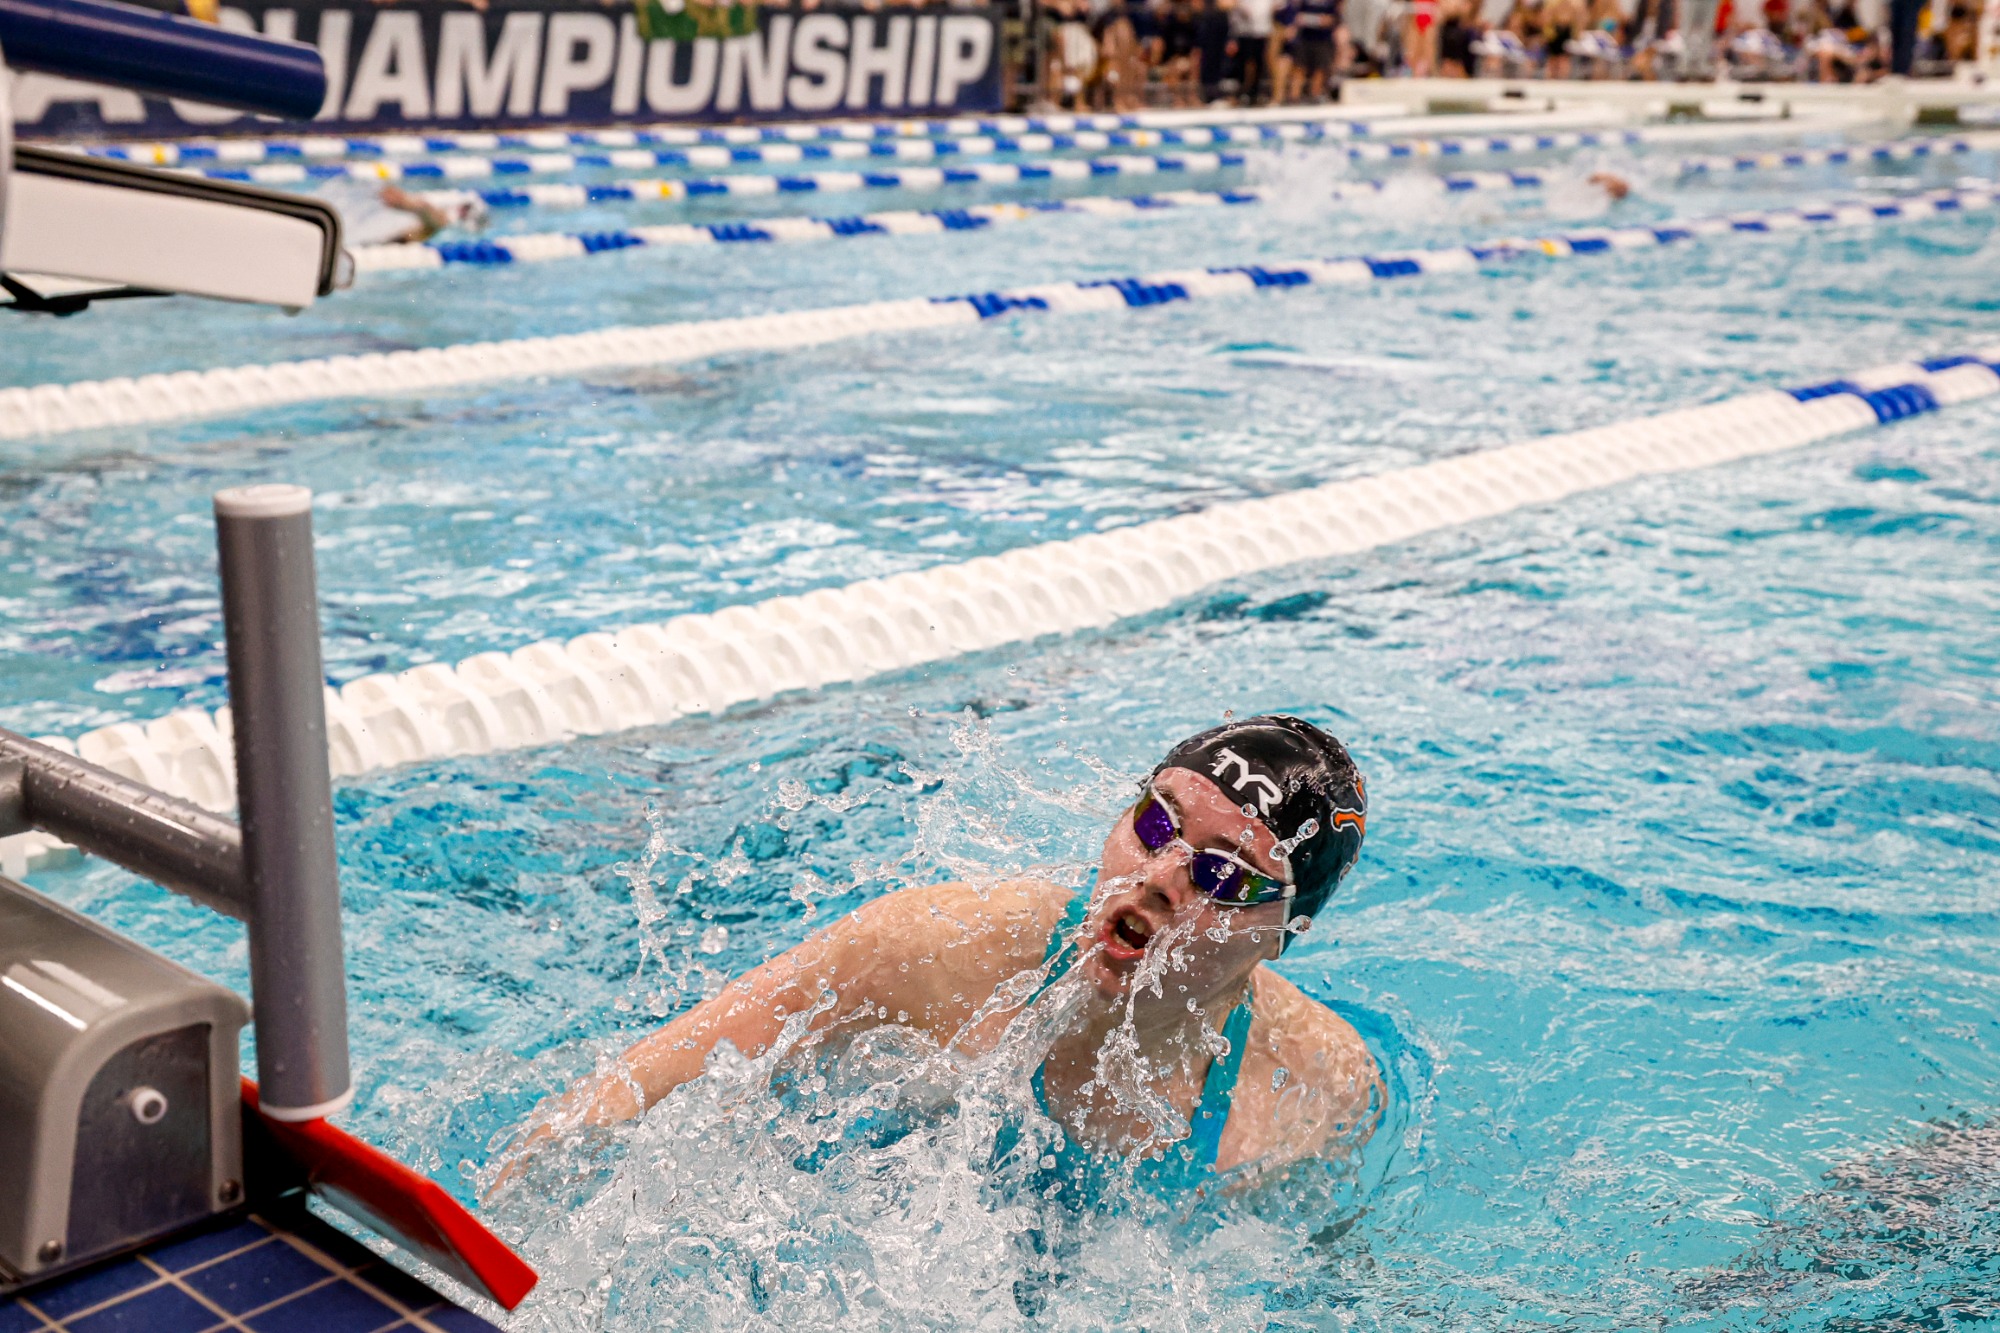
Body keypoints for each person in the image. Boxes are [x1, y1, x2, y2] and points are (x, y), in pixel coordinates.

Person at [500, 716, 1382, 1194]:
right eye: (1155, 824)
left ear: (1284, 930)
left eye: (1224, 876)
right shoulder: (930, 947)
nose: (1157, 877)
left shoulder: (1319, 1085)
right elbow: (627, 1095)